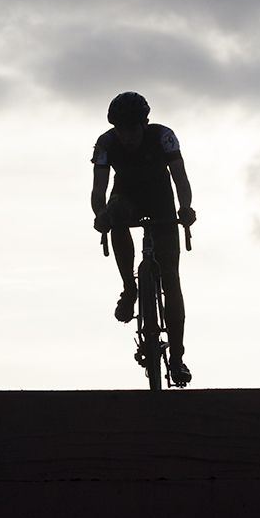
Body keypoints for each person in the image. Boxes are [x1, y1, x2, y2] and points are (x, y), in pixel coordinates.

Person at [91, 91, 196, 386]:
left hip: (160, 199)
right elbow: (99, 191)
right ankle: (130, 289)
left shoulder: (163, 137)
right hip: (126, 197)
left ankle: (176, 358)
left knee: (171, 280)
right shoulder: (106, 144)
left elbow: (181, 178)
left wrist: (185, 208)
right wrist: (100, 214)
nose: (126, 137)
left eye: (132, 129)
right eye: (120, 130)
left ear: (144, 124)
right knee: (116, 214)